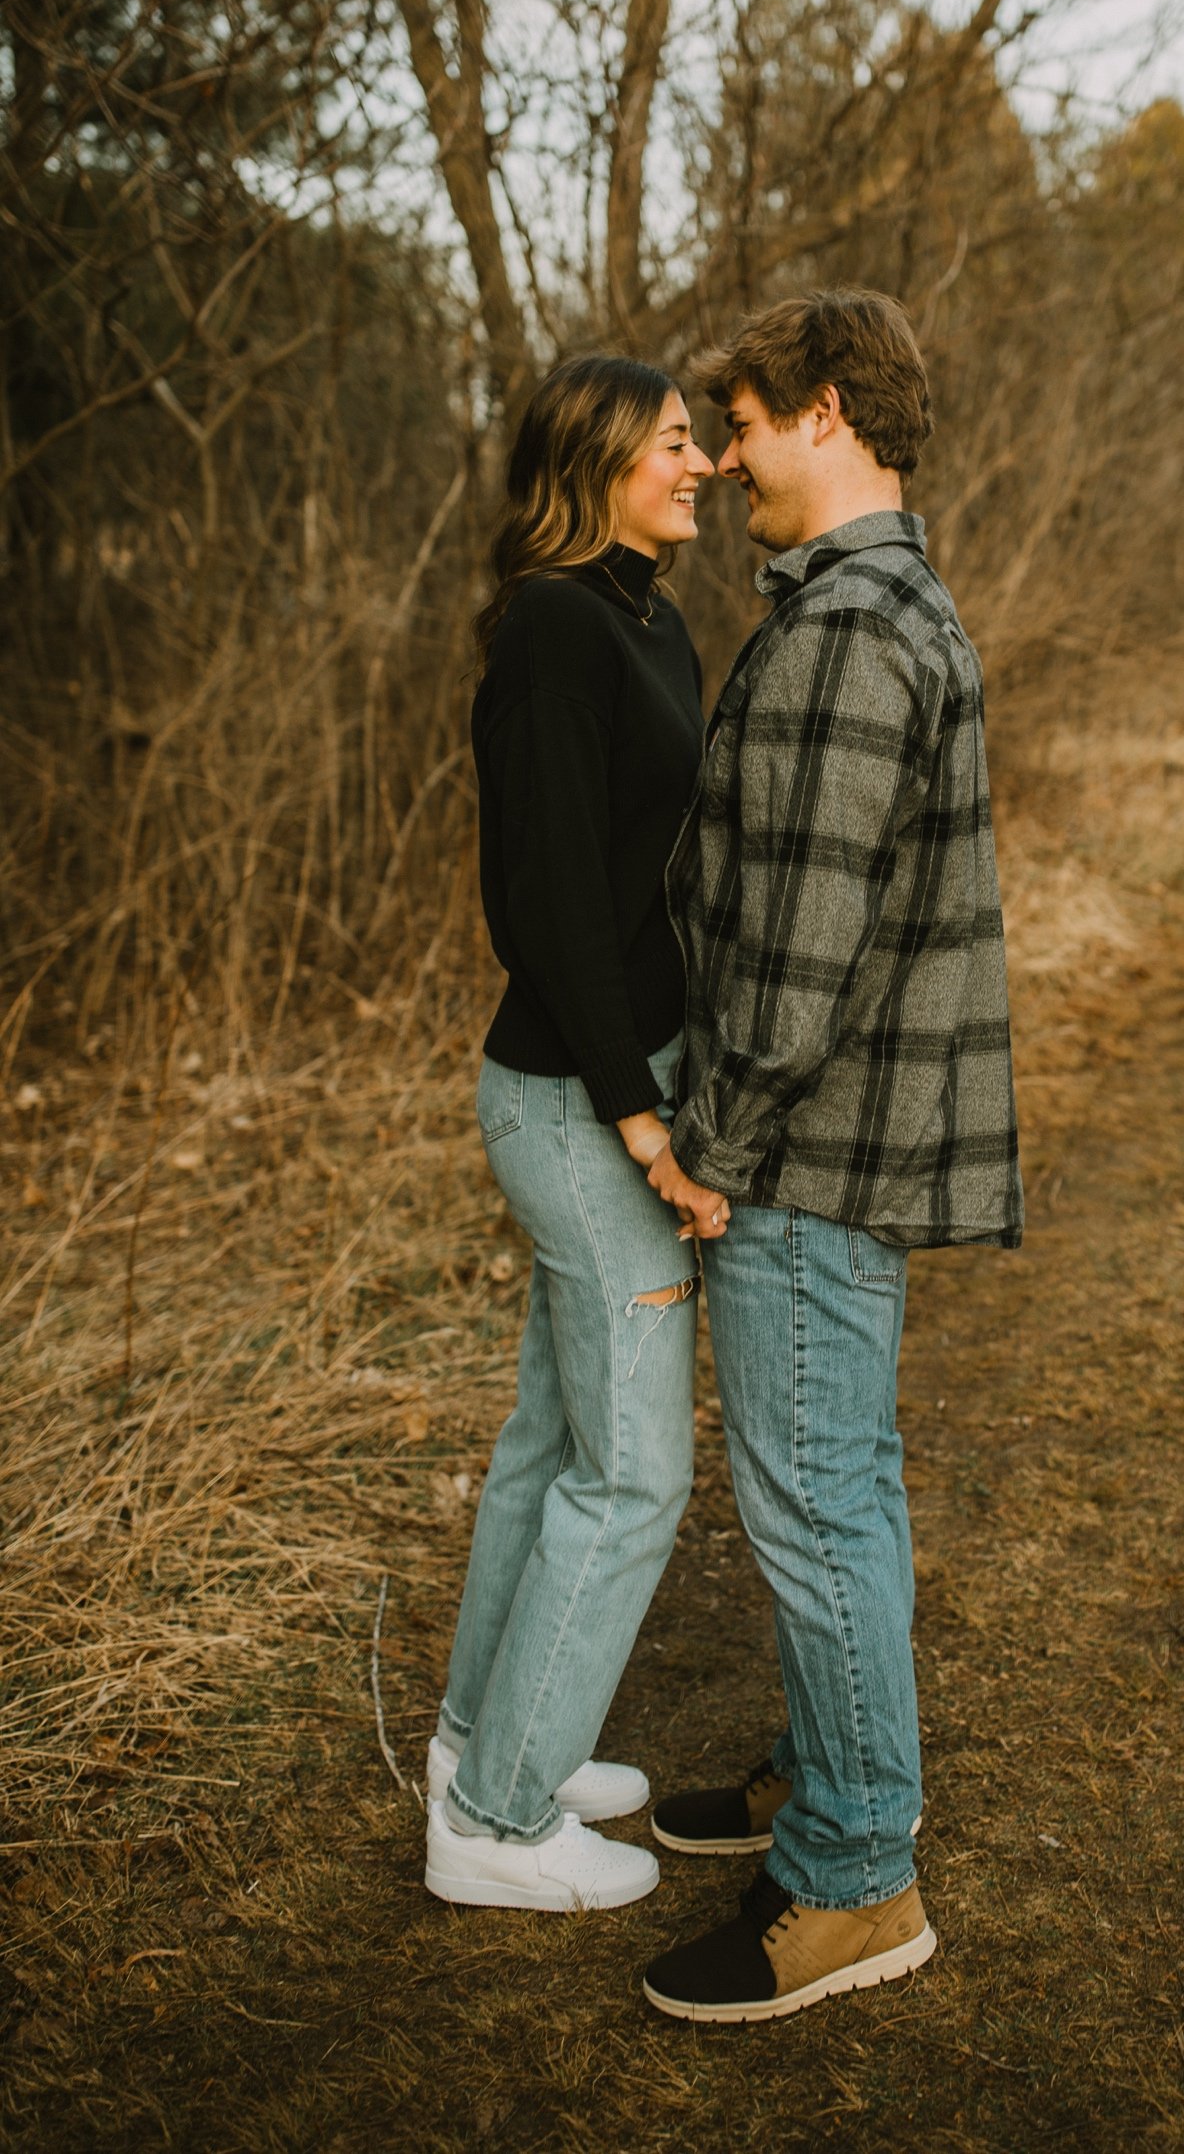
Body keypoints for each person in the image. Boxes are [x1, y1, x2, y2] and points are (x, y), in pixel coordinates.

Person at [640, 289, 1024, 2020]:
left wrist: (709, 1141)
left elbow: (795, 956)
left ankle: (860, 1877)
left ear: (829, 413)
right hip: (828, 1143)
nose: (721, 459)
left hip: (796, 1153)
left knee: (816, 1508)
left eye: (742, 422)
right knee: (832, 1484)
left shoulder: (851, 632)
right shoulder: (869, 610)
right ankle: (826, 1770)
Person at [424, 354, 722, 1913]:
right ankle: (497, 1820)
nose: (706, 462)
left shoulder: (649, 614)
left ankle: (492, 1734)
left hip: (615, 1075)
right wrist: (642, 1121)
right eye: (678, 442)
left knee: (553, 1444)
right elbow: (541, 906)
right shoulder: (553, 628)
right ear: (602, 458)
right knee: (637, 1476)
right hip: (573, 1098)